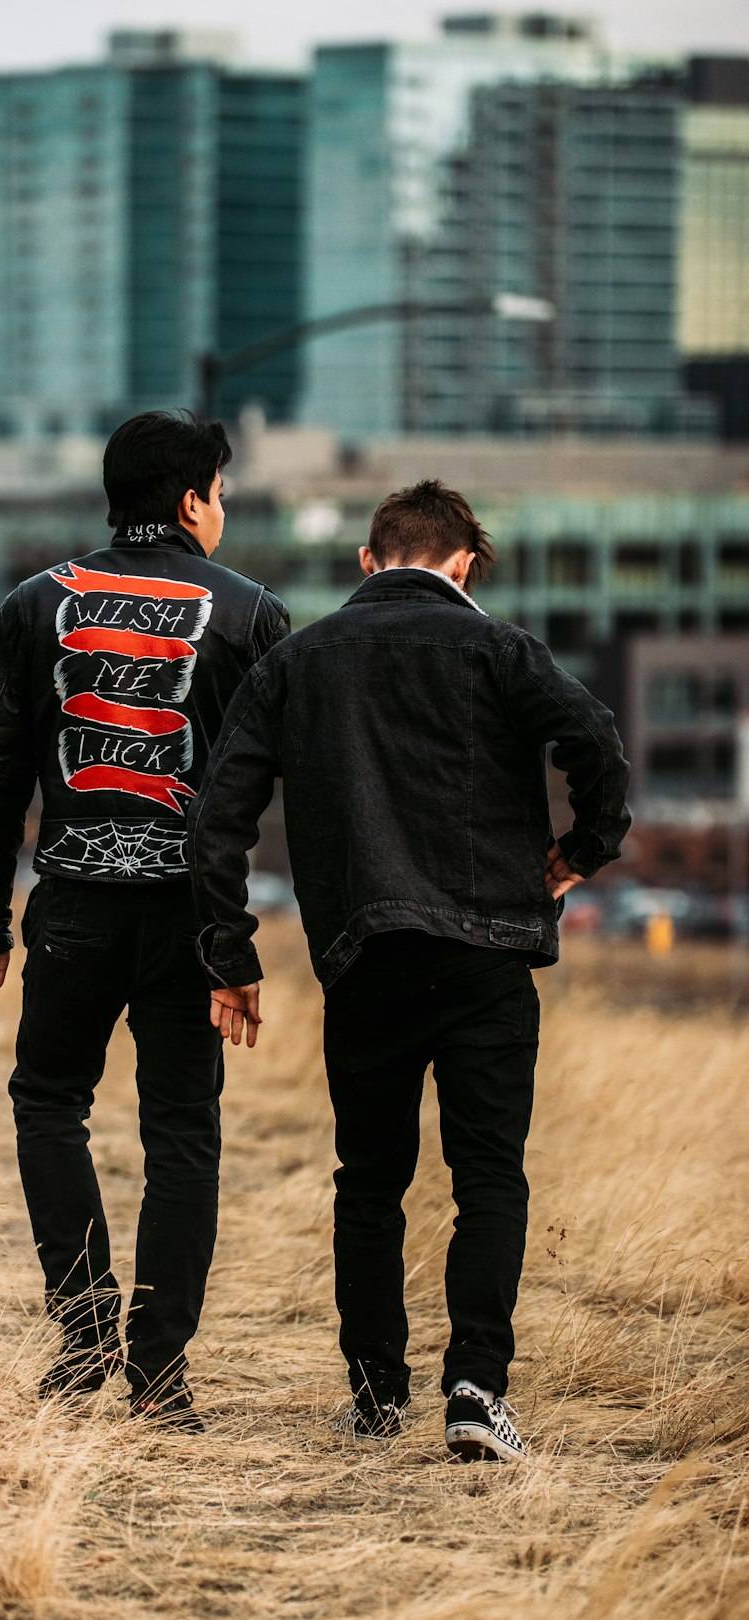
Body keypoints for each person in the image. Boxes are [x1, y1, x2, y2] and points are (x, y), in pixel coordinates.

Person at [188, 478, 631, 1461]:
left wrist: (230, 951)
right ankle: (476, 1389)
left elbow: (217, 817)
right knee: (488, 1179)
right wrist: (580, 852)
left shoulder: (300, 662)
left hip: (365, 956)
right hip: (489, 957)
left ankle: (376, 1391)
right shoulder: (500, 648)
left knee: (370, 1181)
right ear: (465, 565)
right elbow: (596, 737)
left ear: (368, 561)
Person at [0, 411, 289, 1431]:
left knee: (49, 1101)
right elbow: (265, 799)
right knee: (183, 1130)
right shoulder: (252, 614)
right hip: (189, 914)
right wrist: (233, 944)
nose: (221, 510)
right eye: (220, 493)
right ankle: (157, 1375)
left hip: (74, 907)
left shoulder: (32, 605)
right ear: (192, 500)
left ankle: (86, 1323)